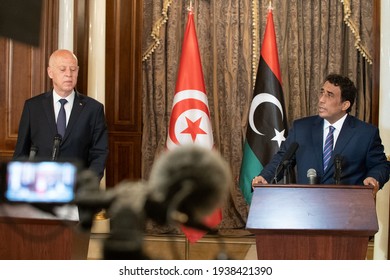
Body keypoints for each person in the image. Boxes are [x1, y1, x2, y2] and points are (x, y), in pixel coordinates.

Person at [252, 74, 390, 196]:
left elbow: (380, 165)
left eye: (329, 95)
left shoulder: (366, 133)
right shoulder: (301, 128)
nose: (321, 100)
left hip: (348, 210)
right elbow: (282, 158)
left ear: (345, 105)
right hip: (306, 207)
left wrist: (374, 178)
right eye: (322, 93)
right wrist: (265, 177)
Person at [13, 49, 108, 181]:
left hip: (78, 188)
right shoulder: (33, 107)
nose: (69, 74)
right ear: (50, 72)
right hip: (40, 187)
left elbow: (99, 153)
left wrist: (88, 185)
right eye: (63, 69)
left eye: (73, 69)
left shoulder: (94, 109)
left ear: (78, 71)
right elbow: (21, 152)